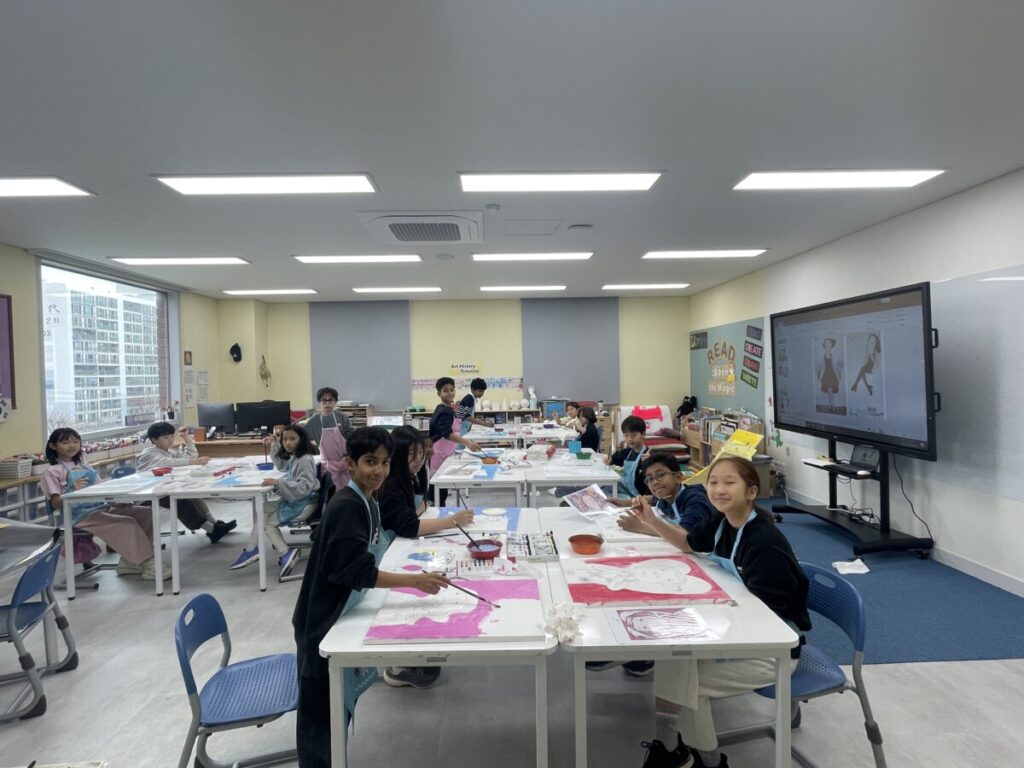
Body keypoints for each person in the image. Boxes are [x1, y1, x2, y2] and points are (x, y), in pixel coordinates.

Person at [629, 456, 811, 768]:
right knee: (671, 657)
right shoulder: (721, 520)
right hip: (734, 628)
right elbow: (688, 543)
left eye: (729, 482)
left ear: (751, 492)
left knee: (689, 687)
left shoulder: (764, 542)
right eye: (713, 482)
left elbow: (768, 619)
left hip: (772, 649)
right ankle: (669, 746)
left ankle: (710, 761)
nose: (719, 489)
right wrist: (651, 520)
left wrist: (703, 619)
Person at [292, 427, 451, 768]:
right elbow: (357, 572)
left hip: (340, 609)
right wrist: (415, 581)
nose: (378, 470)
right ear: (350, 464)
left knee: (334, 710)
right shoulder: (347, 506)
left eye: (384, 462)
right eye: (369, 461)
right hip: (321, 622)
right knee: (322, 715)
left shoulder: (367, 499)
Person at [379, 425, 475, 688]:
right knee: (411, 596)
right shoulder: (392, 484)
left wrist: (420, 511)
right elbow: (410, 525)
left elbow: (420, 508)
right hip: (387, 551)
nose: (418, 460)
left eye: (421, 453)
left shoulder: (409, 476)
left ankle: (415, 652)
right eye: (411, 454)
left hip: (400, 544)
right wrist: (451, 520)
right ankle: (401, 664)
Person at [40, 428, 169, 581]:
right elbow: (55, 503)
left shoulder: (84, 466)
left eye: (75, 442)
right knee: (126, 523)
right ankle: (148, 563)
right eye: (65, 442)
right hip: (78, 516)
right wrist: (71, 490)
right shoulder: (51, 472)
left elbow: (101, 488)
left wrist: (117, 500)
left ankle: (131, 562)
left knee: (146, 514)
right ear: (53, 446)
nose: (72, 446)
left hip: (100, 508)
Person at [229, 423, 318, 579]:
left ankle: (284, 552)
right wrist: (276, 444)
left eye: (292, 439)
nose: (288, 443)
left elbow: (304, 487)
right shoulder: (296, 456)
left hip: (303, 504)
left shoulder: (304, 459)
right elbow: (283, 467)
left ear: (302, 439)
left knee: (268, 523)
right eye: (285, 439)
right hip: (298, 501)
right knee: (263, 508)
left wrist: (278, 483)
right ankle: (252, 549)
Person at [136, 421, 237, 543]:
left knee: (192, 493)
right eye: (166, 438)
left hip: (162, 488)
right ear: (154, 440)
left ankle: (215, 524)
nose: (170, 440)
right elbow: (166, 462)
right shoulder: (148, 454)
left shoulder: (169, 451)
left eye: (172, 436)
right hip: (146, 493)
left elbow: (191, 457)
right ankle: (212, 531)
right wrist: (192, 462)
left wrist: (187, 439)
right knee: (181, 500)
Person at [616, 454, 715, 548]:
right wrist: (624, 503)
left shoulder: (696, 501)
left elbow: (685, 536)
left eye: (660, 475)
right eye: (650, 479)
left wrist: (640, 526)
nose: (654, 482)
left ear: (678, 477)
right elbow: (651, 499)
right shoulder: (666, 496)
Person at [428, 376, 482, 506]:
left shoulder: (448, 407)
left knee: (442, 491)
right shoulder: (443, 411)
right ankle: (435, 514)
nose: (450, 393)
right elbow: (447, 433)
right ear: (439, 393)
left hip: (445, 453)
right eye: (445, 390)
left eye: (452, 389)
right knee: (437, 494)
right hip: (438, 455)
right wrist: (467, 442)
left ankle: (439, 512)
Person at [305, 386, 354, 491]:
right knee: (329, 493)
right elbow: (301, 438)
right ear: (319, 402)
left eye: (330, 400)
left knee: (346, 493)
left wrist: (348, 456)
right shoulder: (314, 422)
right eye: (324, 401)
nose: (327, 404)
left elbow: (351, 439)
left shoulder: (343, 418)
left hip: (345, 463)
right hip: (327, 467)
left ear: (335, 402)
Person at [604, 415, 651, 505]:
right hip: (625, 490)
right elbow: (615, 458)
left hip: (638, 497)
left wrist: (648, 463)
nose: (630, 439)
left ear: (643, 434)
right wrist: (609, 459)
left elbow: (649, 481)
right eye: (626, 435)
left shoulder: (647, 455)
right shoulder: (627, 452)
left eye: (634, 435)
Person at [455, 377, 493, 442]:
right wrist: (485, 424)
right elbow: (468, 417)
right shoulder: (470, 399)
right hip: (460, 427)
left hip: (463, 426)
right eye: (480, 391)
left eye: (483, 391)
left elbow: (468, 415)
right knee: (461, 446)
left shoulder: (471, 398)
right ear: (472, 389)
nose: (482, 393)